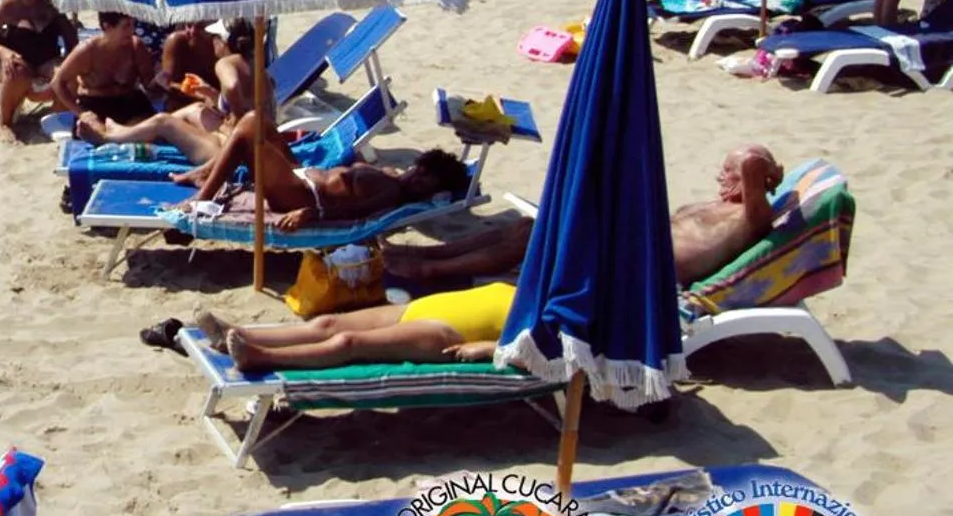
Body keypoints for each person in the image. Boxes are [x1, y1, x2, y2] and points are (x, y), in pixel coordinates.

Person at [383, 145, 788, 288]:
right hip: (627, 252)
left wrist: (763, 170)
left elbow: (752, 160)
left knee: (532, 240)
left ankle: (434, 271)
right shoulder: (716, 207)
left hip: (643, 274)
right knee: (529, 227)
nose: (721, 176)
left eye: (728, 172)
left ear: (751, 180)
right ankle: (430, 257)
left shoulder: (752, 218)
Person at [177, 121, 471, 228]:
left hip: (297, 195)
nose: (416, 176)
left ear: (432, 192)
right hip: (301, 175)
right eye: (420, 169)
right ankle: (206, 172)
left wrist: (311, 215)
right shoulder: (394, 177)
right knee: (260, 121)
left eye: (424, 180)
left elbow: (355, 212)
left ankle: (201, 198)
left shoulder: (392, 193)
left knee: (246, 133)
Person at [184, 283, 517, 372]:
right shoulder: (548, 283)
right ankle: (239, 333)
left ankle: (260, 357)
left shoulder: (563, 311)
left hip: (447, 334)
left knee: (348, 342)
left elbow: (557, 351)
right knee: (327, 323)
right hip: (421, 308)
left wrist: (491, 349)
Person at [78, 20, 255, 162]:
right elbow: (241, 100)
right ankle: (123, 132)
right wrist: (210, 94)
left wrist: (235, 120)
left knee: (164, 121)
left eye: (215, 36)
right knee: (197, 109)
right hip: (239, 140)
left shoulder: (226, 62)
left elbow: (232, 88)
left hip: (228, 150)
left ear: (222, 42)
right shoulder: (251, 63)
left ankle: (106, 139)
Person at [0, 0, 79, 141]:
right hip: (14, 59)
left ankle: (58, 117)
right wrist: (4, 53)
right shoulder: (4, 6)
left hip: (46, 58)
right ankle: (6, 123)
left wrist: (71, 57)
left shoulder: (49, 2)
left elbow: (69, 34)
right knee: (17, 70)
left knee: (66, 73)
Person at [51, 11, 158, 125]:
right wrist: (80, 113)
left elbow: (150, 85)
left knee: (151, 128)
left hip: (129, 101)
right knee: (95, 132)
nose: (132, 31)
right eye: (126, 26)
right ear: (107, 26)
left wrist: (159, 81)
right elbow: (57, 82)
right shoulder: (87, 51)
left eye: (133, 25)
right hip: (95, 104)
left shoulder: (136, 47)